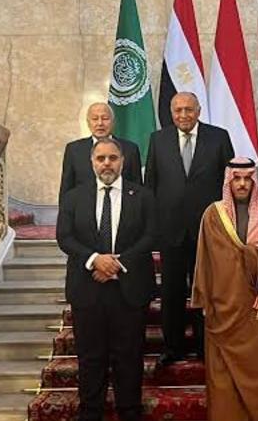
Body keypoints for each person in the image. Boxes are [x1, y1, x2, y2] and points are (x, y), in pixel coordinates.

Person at [56, 138, 156, 421]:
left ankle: (130, 412)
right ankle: (91, 413)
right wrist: (94, 260)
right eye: (101, 159)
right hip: (87, 290)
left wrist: (115, 264)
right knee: (90, 358)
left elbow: (151, 235)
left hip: (130, 290)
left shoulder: (143, 195)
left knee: (129, 358)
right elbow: (65, 237)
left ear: (122, 161)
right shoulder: (74, 197)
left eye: (112, 158)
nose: (107, 164)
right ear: (92, 163)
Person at [192, 157, 258, 421]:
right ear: (228, 181)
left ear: (254, 182)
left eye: (247, 179)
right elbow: (206, 260)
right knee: (225, 377)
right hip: (225, 305)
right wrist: (205, 299)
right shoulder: (213, 215)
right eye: (236, 179)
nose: (241, 184)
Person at [145, 92, 234, 367]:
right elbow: (151, 186)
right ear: (171, 112)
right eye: (178, 110)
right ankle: (173, 347)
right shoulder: (158, 140)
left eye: (188, 109)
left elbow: (229, 184)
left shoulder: (218, 137)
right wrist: (153, 229)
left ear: (198, 111)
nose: (183, 115)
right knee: (171, 293)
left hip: (207, 231)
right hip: (170, 232)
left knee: (205, 291)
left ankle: (205, 346)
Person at [58, 102, 142, 202]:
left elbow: (138, 190)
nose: (100, 123)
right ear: (88, 122)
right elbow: (66, 191)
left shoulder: (130, 149)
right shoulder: (74, 150)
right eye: (95, 119)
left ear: (113, 122)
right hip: (84, 209)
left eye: (105, 118)